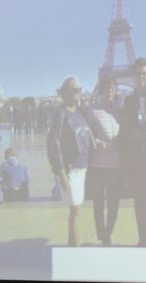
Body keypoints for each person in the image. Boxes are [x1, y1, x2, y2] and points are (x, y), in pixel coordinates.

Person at [47, 76, 94, 246]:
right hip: (71, 169)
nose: (78, 92)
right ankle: (76, 248)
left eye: (79, 89)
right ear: (65, 92)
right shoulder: (60, 113)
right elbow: (54, 143)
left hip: (82, 167)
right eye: (75, 89)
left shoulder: (79, 112)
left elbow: (85, 134)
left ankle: (72, 245)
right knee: (75, 210)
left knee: (76, 210)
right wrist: (60, 172)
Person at [119, 57, 146, 246]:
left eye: (144, 73)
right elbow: (124, 126)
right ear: (133, 76)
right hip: (134, 155)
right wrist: (131, 132)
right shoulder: (129, 101)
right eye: (137, 74)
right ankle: (143, 237)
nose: (140, 77)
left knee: (145, 198)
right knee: (139, 198)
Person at [85, 75, 122, 245]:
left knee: (114, 203)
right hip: (98, 164)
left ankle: (109, 232)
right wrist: (96, 141)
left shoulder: (120, 111)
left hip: (116, 163)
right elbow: (85, 134)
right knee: (98, 202)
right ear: (101, 91)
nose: (110, 91)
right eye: (107, 88)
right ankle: (103, 235)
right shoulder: (92, 111)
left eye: (112, 88)